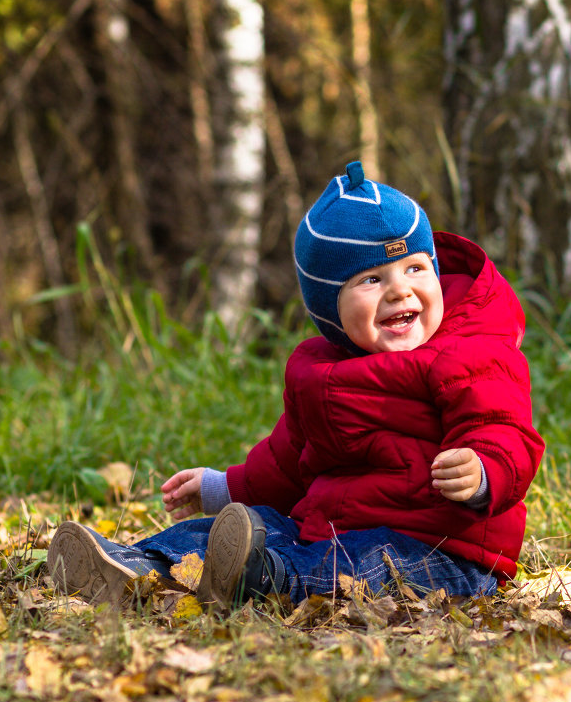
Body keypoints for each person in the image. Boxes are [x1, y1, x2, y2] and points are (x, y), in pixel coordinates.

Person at [47, 161, 544, 610]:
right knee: (243, 526)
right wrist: (223, 488)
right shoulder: (318, 372)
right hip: (326, 529)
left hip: (440, 549)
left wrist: (483, 472)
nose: (399, 289)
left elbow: (502, 430)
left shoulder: (471, 351)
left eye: (415, 267)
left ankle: (262, 579)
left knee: (365, 563)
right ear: (330, 309)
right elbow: (287, 461)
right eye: (371, 279)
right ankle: (135, 567)